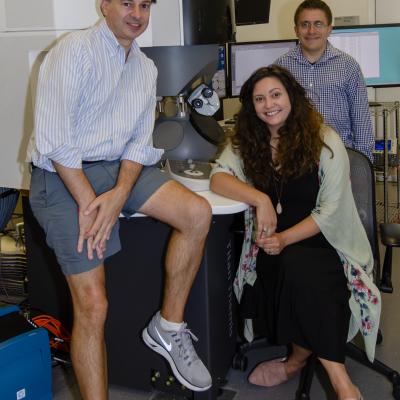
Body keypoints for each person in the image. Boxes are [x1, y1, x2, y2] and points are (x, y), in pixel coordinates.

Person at [27, 0, 212, 398]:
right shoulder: (74, 50)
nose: (137, 13)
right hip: (62, 175)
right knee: (94, 306)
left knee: (197, 213)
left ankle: (169, 326)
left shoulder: (145, 68)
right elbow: (55, 141)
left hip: (118, 169)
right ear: (103, 5)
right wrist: (94, 203)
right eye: (127, 2)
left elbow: (138, 144)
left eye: (145, 5)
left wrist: (118, 197)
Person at [210, 65, 381, 400]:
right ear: (251, 107)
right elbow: (218, 177)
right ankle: (331, 378)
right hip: (272, 250)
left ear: (291, 97)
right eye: (259, 99)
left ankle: (316, 371)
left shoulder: (324, 140)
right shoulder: (247, 141)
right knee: (295, 270)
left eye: (276, 94)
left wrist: (285, 238)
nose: (268, 104)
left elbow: (330, 212)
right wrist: (259, 199)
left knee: (301, 268)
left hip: (326, 242)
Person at [275, 0, 374, 162]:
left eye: (318, 24)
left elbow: (361, 123)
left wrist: (363, 167)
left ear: (329, 29)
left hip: (340, 159)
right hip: (294, 160)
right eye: (305, 24)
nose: (311, 31)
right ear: (296, 30)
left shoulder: (348, 67)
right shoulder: (280, 67)